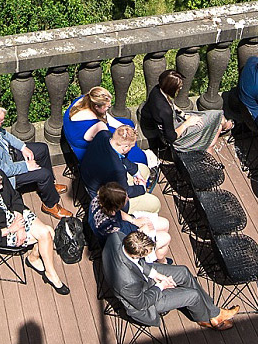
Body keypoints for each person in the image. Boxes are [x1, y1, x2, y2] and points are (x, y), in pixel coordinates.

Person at [104, 230, 238, 330]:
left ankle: (214, 312)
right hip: (146, 300)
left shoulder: (118, 237)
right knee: (193, 296)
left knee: (183, 272)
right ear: (136, 254)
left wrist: (155, 274)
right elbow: (142, 303)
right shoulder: (127, 282)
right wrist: (160, 286)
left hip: (141, 277)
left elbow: (138, 263)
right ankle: (204, 320)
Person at [0, 168, 69, 295]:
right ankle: (40, 265)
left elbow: (15, 197)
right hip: (2, 230)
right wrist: (12, 229)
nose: (2, 185)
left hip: (16, 214)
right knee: (47, 232)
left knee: (45, 233)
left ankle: (45, 269)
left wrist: (20, 224)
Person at [0, 102, 73, 218]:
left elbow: (3, 134)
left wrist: (23, 147)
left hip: (7, 155)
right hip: (5, 174)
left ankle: (48, 187)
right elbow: (3, 170)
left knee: (42, 149)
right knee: (44, 174)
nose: (3, 123)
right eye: (1, 122)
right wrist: (27, 166)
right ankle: (50, 205)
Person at [80, 121, 161, 215]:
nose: (131, 149)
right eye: (131, 147)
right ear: (125, 147)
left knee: (143, 170)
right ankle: (130, 218)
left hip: (89, 173)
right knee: (155, 203)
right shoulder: (117, 170)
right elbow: (125, 191)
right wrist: (142, 187)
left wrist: (136, 173)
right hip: (103, 195)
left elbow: (121, 157)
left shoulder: (103, 135)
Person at [141, 68, 224, 155]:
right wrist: (187, 123)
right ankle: (209, 145)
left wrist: (184, 115)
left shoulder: (157, 90)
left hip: (175, 120)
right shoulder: (165, 110)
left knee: (217, 118)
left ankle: (214, 136)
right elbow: (171, 138)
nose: (180, 88)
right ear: (170, 88)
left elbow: (171, 105)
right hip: (178, 137)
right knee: (218, 122)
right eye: (179, 87)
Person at [89, 180, 171, 259]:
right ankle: (159, 261)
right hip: (130, 243)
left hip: (129, 226)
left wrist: (134, 220)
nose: (128, 198)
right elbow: (127, 242)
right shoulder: (112, 227)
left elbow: (118, 213)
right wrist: (142, 231)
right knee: (166, 238)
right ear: (116, 206)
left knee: (165, 223)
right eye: (125, 199)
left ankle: (158, 255)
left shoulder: (98, 200)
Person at [63, 86, 133, 163]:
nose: (110, 107)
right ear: (96, 107)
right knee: (136, 155)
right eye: (107, 107)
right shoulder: (99, 126)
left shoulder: (84, 100)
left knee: (129, 124)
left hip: (75, 134)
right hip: (87, 151)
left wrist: (122, 126)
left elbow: (105, 116)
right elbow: (111, 148)